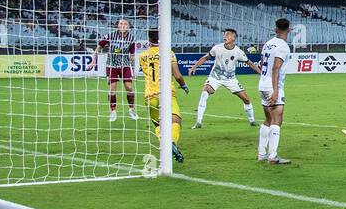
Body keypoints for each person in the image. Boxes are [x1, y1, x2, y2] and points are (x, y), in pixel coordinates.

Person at [188, 28, 262, 128]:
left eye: (227, 35)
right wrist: (194, 66)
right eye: (224, 35)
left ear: (233, 38)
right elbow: (206, 57)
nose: (224, 37)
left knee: (246, 99)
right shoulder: (217, 48)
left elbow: (249, 63)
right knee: (205, 92)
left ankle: (252, 121)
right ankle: (198, 122)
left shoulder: (238, 52)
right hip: (215, 77)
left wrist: (260, 72)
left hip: (230, 79)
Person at [138, 28, 187, 163]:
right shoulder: (168, 53)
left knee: (158, 124)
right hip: (166, 94)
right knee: (175, 121)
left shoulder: (142, 56)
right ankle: (171, 142)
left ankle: (166, 144)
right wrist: (183, 85)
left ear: (149, 39)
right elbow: (177, 75)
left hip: (150, 95)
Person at [257, 18, 292, 165]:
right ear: (289, 30)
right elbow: (276, 67)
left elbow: (262, 63)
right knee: (277, 120)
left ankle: (261, 153)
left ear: (275, 29)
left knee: (268, 119)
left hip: (263, 84)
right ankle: (272, 157)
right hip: (273, 85)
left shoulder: (268, 44)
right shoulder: (283, 46)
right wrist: (276, 90)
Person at [100, 17, 137, 122]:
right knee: (112, 88)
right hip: (111, 65)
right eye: (121, 23)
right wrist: (94, 59)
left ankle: (131, 109)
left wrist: (134, 70)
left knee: (129, 87)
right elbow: (99, 46)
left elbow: (132, 55)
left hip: (125, 65)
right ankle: (113, 112)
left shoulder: (131, 38)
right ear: (117, 26)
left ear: (128, 27)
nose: (123, 25)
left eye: (125, 24)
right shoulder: (110, 36)